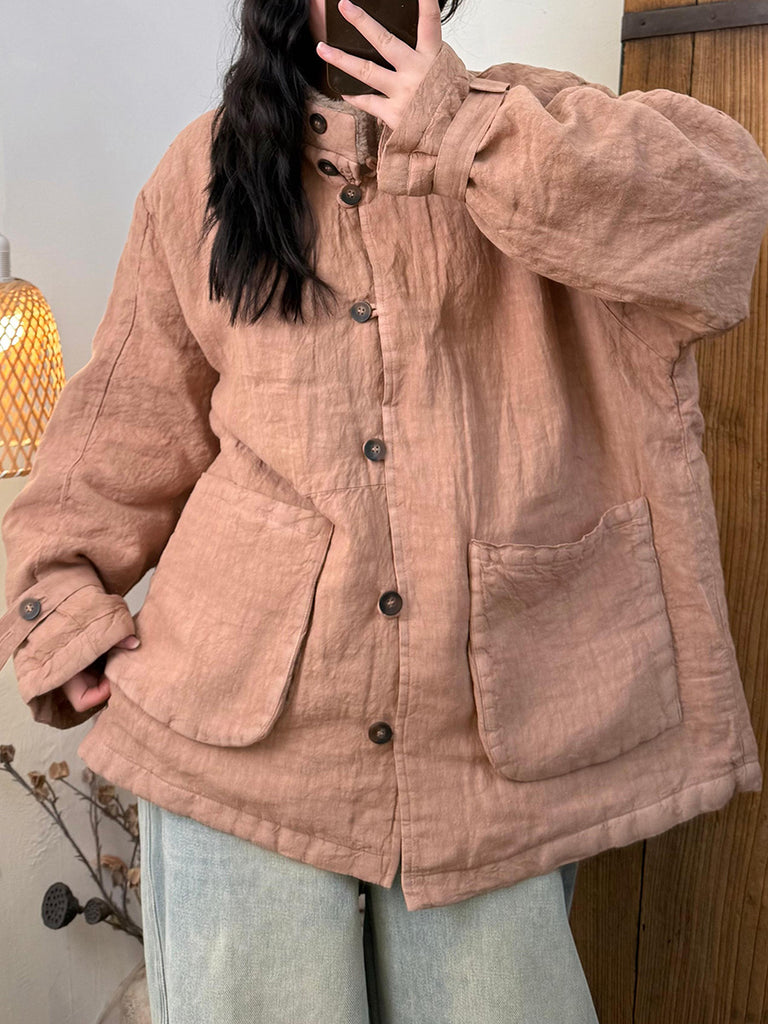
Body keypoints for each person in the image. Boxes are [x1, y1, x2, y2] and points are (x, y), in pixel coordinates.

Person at [2, 0, 767, 1019]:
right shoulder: (204, 171)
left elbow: (721, 215)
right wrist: (59, 603)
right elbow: (128, 420)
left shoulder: (536, 123)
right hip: (238, 737)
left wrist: (461, 127)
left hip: (491, 754)